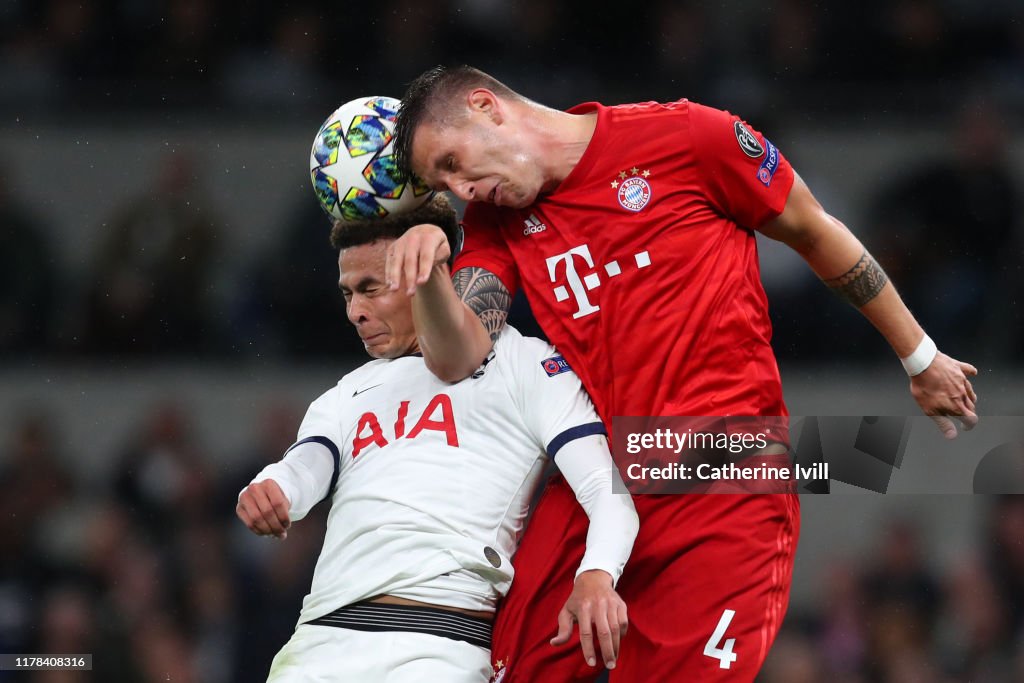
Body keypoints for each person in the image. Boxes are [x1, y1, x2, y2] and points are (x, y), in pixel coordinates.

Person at [386, 66, 979, 682]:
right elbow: (458, 359)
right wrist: (430, 276)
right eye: (443, 183)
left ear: (487, 106)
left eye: (453, 162)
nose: (462, 190)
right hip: (599, 483)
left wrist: (920, 356)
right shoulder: (493, 222)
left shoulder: (690, 138)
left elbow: (812, 229)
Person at [236, 194, 639, 683]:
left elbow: (606, 490)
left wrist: (597, 574)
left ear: (423, 272)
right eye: (347, 294)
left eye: (371, 289)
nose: (355, 313)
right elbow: (302, 469)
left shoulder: (527, 364)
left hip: (438, 644)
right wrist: (270, 489)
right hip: (319, 643)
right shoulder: (348, 392)